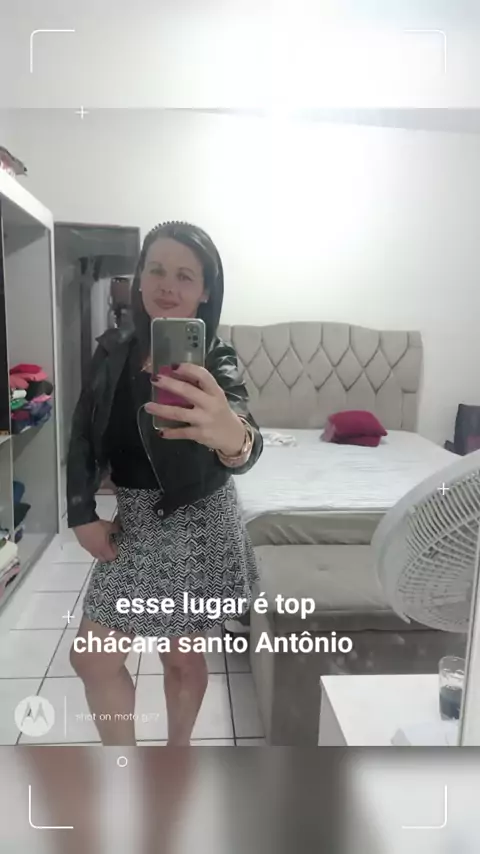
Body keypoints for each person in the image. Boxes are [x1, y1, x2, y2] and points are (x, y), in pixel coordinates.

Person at [67, 221, 263, 746]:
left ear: (206, 292)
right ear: (140, 279)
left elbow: (244, 435)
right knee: (92, 659)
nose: (167, 286)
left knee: (181, 656)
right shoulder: (112, 350)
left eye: (184, 275)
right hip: (133, 522)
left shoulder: (216, 359)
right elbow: (82, 434)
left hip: (197, 522)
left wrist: (231, 435)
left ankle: (177, 759)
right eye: (155, 269)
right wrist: (82, 514)